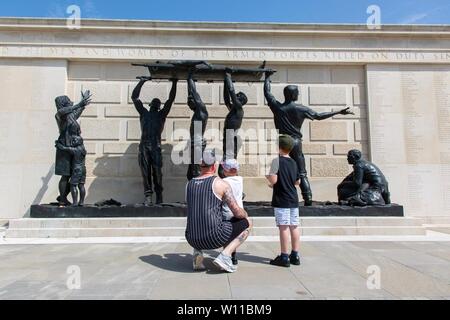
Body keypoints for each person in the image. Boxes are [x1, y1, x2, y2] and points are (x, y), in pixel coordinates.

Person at [264, 72, 354, 206]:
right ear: (294, 95)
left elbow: (267, 93)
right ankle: (308, 198)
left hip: (283, 142)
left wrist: (267, 78)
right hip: (296, 142)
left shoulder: (277, 107)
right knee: (301, 172)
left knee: (279, 171)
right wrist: (338, 112)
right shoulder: (301, 109)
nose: (298, 95)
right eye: (297, 93)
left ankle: (279, 199)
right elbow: (319, 116)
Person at [185, 150, 252, 273]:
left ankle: (197, 254)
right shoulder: (220, 184)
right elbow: (237, 212)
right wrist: (245, 214)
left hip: (191, 237)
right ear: (214, 166)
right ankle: (225, 255)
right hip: (214, 238)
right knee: (247, 222)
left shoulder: (189, 184)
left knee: (197, 214)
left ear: (200, 166)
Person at [132, 77, 178, 205]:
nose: (156, 103)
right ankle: (148, 196)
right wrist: (142, 82)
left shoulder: (161, 115)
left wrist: (174, 83)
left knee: (157, 173)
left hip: (156, 147)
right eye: (154, 102)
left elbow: (170, 100)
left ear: (159, 106)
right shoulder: (144, 113)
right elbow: (135, 98)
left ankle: (159, 195)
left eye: (158, 103)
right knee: (145, 172)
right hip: (144, 146)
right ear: (150, 104)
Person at [266, 135, 301, 268]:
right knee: (294, 226)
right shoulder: (294, 162)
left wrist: (268, 177)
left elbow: (274, 180)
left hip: (282, 199)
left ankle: (284, 256)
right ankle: (295, 255)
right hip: (293, 198)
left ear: (279, 147)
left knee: (283, 227)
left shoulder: (276, 161)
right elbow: (297, 181)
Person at [54, 90, 92, 206]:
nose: (71, 102)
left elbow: (77, 111)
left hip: (74, 147)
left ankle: (63, 197)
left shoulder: (70, 116)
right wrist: (79, 104)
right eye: (69, 100)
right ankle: (63, 200)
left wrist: (83, 103)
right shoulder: (60, 115)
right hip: (64, 147)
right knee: (65, 174)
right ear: (64, 103)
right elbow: (63, 111)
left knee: (74, 175)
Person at [218, 70, 248, 179]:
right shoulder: (234, 109)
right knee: (227, 165)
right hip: (229, 137)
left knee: (224, 168)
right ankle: (234, 184)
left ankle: (233, 186)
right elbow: (227, 99)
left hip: (230, 138)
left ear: (241, 101)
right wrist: (226, 82)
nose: (236, 95)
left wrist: (228, 76)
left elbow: (231, 92)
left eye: (238, 95)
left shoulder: (239, 109)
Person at [220, 159, 245, 265]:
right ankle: (234, 256)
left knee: (227, 236)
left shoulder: (224, 182)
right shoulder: (240, 179)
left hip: (227, 212)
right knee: (235, 235)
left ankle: (227, 255)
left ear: (225, 170)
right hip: (239, 211)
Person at [186, 70, 209, 181]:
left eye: (191, 100)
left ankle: (198, 196)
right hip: (195, 143)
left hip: (197, 144)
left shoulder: (201, 111)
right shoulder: (197, 113)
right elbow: (192, 94)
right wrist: (189, 80)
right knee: (190, 174)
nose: (189, 102)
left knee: (196, 172)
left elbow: (194, 93)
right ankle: (192, 195)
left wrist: (190, 78)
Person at [55, 136, 87, 207]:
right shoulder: (83, 149)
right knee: (81, 185)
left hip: (77, 169)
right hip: (83, 169)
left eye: (75, 140)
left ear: (79, 142)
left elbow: (64, 148)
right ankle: (81, 202)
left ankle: (75, 202)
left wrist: (58, 144)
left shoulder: (76, 149)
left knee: (73, 185)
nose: (73, 141)